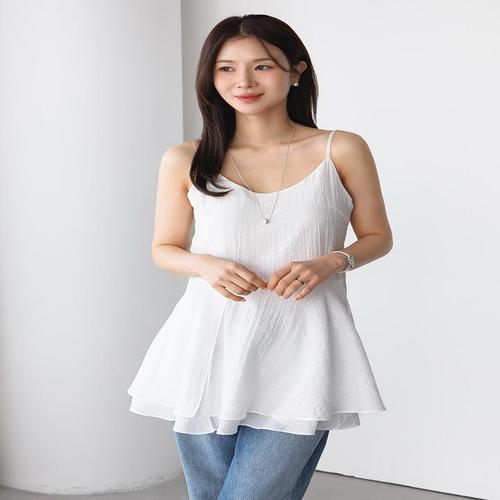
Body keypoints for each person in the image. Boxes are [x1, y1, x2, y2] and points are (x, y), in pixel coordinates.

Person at [127, 13, 393, 500]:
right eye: (226, 68)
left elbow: (377, 236)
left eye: (262, 66)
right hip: (207, 349)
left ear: (297, 71)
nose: (243, 81)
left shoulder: (340, 149)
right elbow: (164, 248)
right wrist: (205, 264)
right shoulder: (186, 158)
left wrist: (331, 261)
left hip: (304, 347)